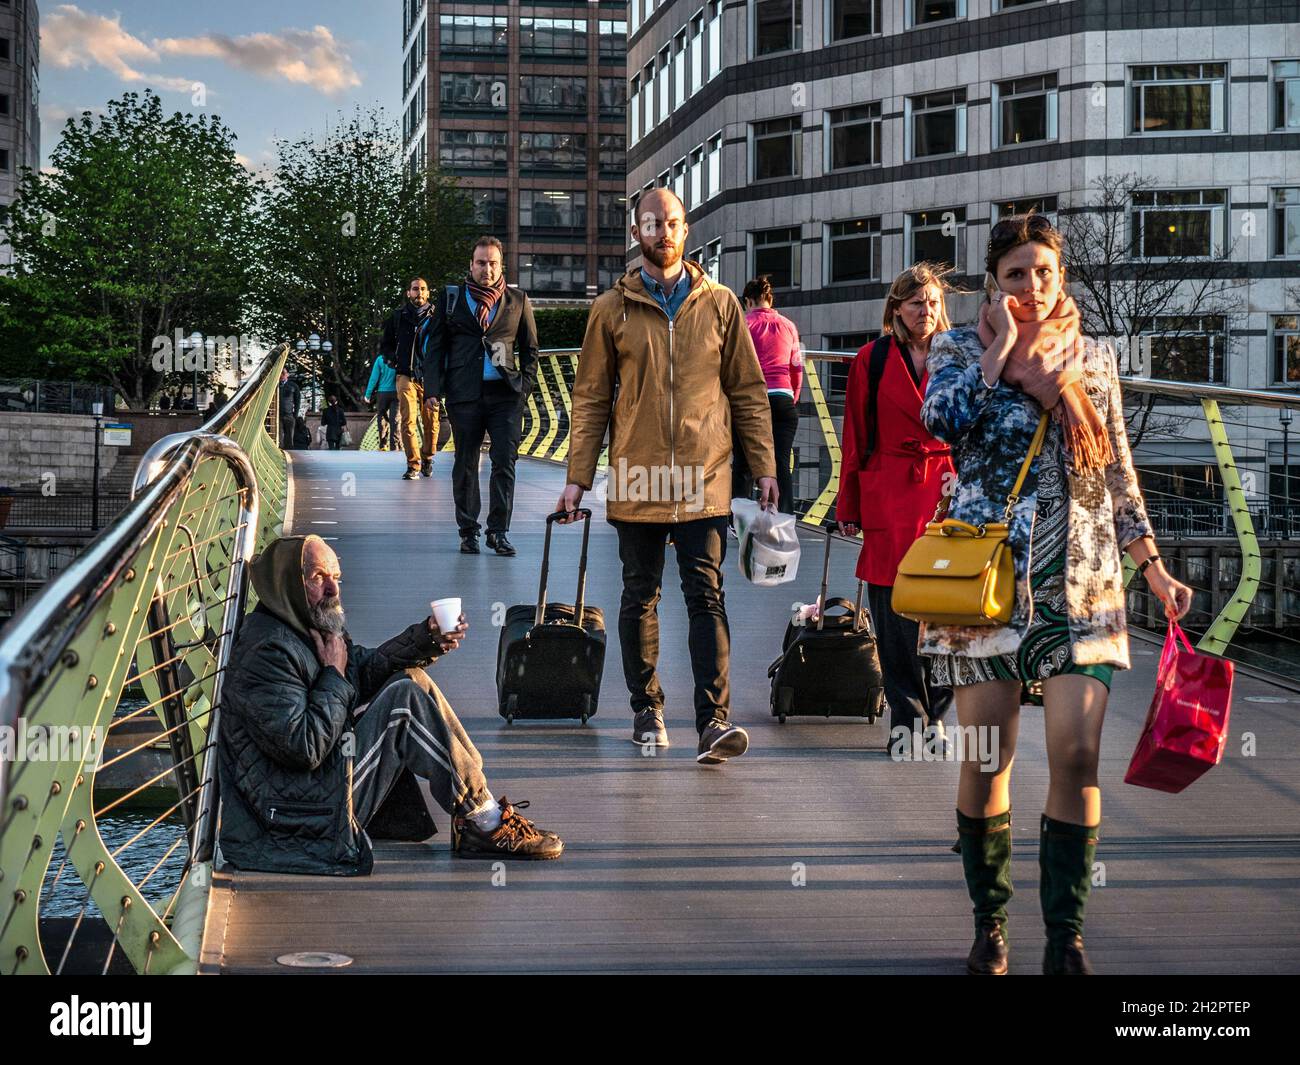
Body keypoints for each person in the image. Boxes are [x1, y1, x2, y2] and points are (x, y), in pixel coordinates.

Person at [919, 214, 1192, 976]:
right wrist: (998, 352)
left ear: (1059, 276)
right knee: (988, 756)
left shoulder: (1093, 357)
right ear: (994, 282)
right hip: (986, 583)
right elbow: (939, 419)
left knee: (1077, 753)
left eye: (1043, 272)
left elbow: (1117, 470)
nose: (1032, 287)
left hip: (1083, 575)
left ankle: (1066, 934)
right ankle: (990, 922)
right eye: (1015, 274)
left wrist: (1154, 566)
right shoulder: (959, 348)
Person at [557, 188, 776, 765]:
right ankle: (646, 709)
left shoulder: (723, 304)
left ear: (687, 229)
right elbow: (591, 399)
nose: (664, 232)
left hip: (706, 477)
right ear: (637, 234)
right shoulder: (612, 309)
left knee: (706, 595)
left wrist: (765, 467)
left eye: (673, 222)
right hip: (637, 474)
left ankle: (713, 722)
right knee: (640, 595)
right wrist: (579, 477)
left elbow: (749, 394)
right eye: (652, 224)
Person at [218, 534, 564, 874]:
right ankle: (483, 821)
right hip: (292, 818)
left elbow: (362, 670)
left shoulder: (306, 628)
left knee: (411, 679)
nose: (333, 590)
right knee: (403, 703)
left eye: (336, 577)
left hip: (308, 799)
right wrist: (332, 677)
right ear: (286, 585)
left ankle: (479, 809)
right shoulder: (268, 651)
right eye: (317, 578)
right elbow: (304, 747)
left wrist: (426, 637)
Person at [837, 264, 956, 749]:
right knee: (893, 615)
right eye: (915, 304)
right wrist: (849, 504)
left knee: (946, 610)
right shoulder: (873, 358)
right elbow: (855, 436)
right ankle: (907, 721)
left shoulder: (961, 355)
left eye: (931, 302)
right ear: (896, 309)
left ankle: (939, 713)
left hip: (947, 492)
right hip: (889, 492)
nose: (924, 311)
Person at [423, 236, 539, 556]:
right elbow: (435, 348)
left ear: (501, 266)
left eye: (492, 263)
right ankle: (468, 530)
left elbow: (530, 350)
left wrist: (523, 388)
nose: (486, 269)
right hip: (465, 395)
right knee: (466, 463)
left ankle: (498, 531)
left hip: (506, 395)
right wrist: (432, 389)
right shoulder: (452, 299)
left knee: (505, 461)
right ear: (471, 265)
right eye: (480, 263)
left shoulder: (518, 300)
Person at [735, 275, 802, 515]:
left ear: (748, 301)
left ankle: (738, 519)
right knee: (781, 463)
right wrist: (791, 397)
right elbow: (796, 366)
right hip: (783, 398)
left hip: (753, 401)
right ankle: (783, 516)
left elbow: (735, 363)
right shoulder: (789, 325)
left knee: (743, 462)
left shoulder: (743, 324)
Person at [379, 277, 439, 480]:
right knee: (407, 420)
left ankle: (428, 458)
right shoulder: (398, 317)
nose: (419, 293)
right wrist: (392, 360)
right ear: (408, 293)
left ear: (428, 293)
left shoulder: (437, 316)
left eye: (423, 289)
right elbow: (385, 344)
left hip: (430, 377)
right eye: (415, 289)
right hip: (405, 376)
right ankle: (413, 465)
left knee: (431, 421)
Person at [364, 353, 399, 450]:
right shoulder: (398, 357)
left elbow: (374, 378)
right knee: (395, 420)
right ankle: (394, 446)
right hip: (397, 392)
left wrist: (368, 394)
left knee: (382, 418)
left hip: (382, 393)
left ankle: (383, 445)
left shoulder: (380, 359)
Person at [278, 370, 300, 449]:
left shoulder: (293, 386)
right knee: (278, 436)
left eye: (284, 373)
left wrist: (295, 415)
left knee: (289, 436)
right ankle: (280, 451)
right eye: (281, 373)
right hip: (277, 414)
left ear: (287, 374)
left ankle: (289, 451)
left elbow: (297, 401)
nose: (282, 375)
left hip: (289, 414)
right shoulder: (275, 385)